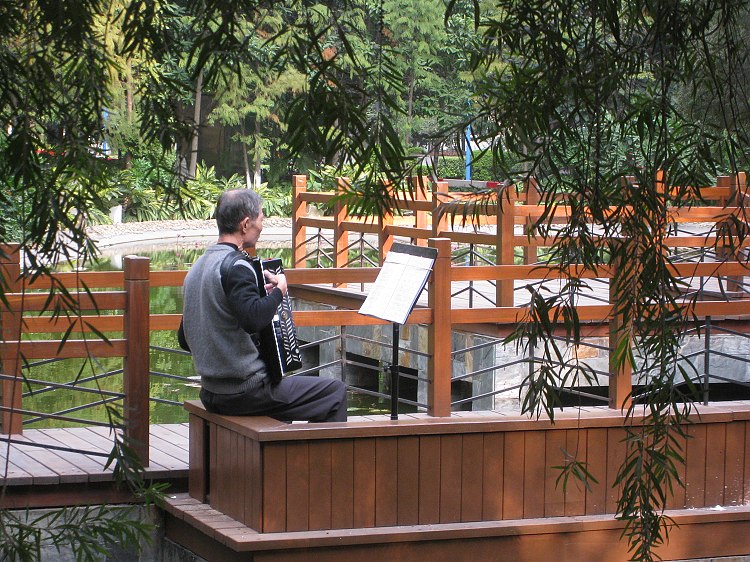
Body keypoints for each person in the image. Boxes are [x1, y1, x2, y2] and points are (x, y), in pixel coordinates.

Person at [179, 188, 347, 422]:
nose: (262, 226)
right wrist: (279, 291)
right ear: (245, 224)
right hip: (245, 393)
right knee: (334, 393)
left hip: (211, 393)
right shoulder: (238, 267)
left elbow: (184, 339)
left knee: (287, 403)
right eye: (261, 219)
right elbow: (253, 320)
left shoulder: (196, 269)